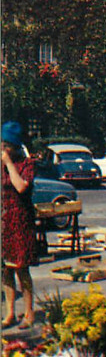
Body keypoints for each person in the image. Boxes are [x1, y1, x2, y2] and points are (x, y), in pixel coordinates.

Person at [1, 122, 37, 329]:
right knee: (5, 269)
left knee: (21, 268)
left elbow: (21, 186)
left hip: (20, 220)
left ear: (15, 146)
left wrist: (8, 164)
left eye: (6, 145)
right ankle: (10, 313)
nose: (3, 150)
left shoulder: (27, 164)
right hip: (4, 220)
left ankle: (29, 312)